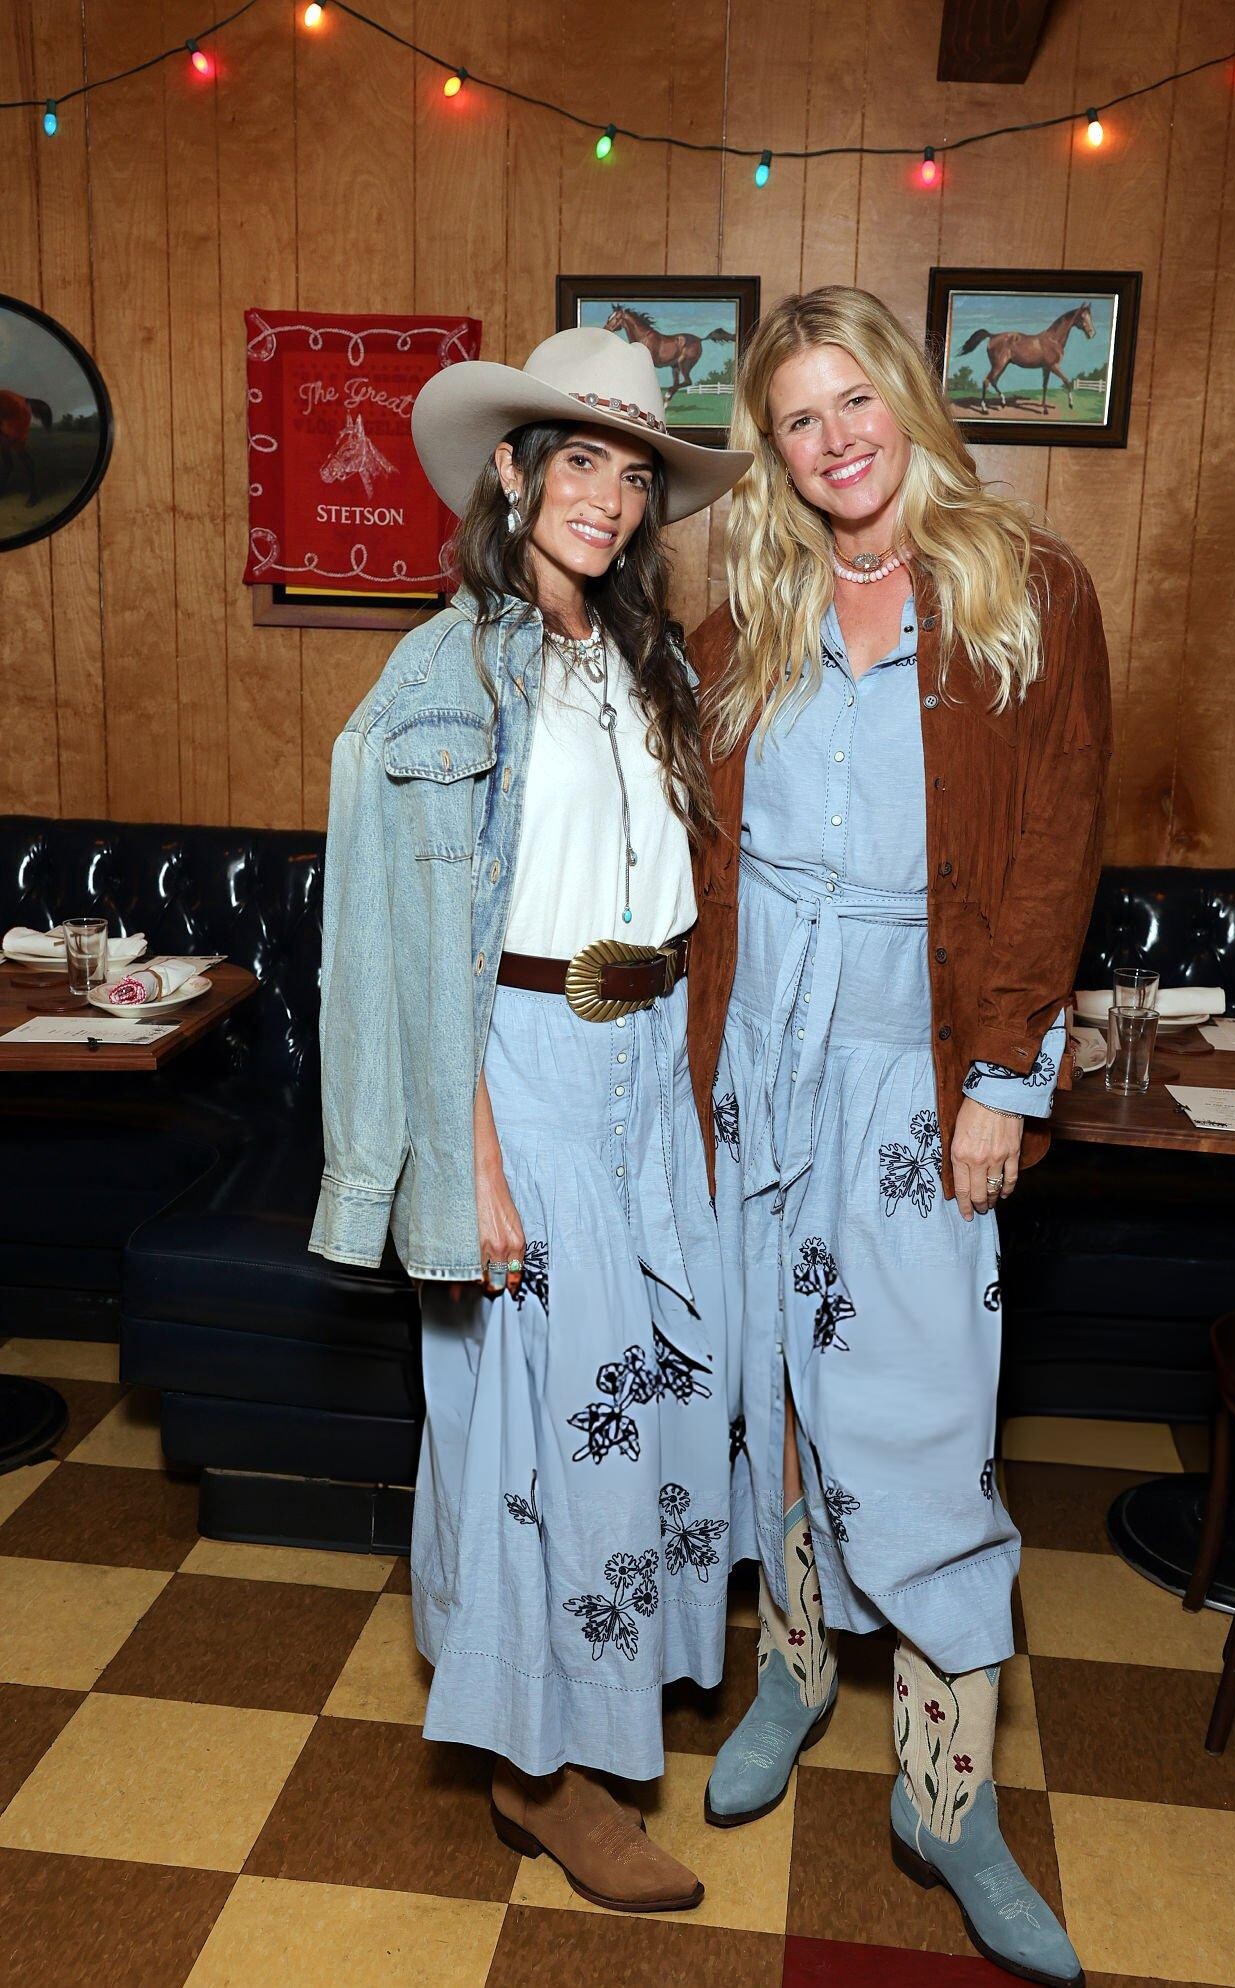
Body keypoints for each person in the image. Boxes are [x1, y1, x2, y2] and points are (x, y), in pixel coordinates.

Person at [687, 286, 1110, 1986]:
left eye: (852, 399)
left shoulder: (1025, 589)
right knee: (773, 1395)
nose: (833, 438)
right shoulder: (748, 609)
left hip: (915, 1069)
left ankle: (947, 1800)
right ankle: (792, 1676)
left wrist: (1004, 1080)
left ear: (907, 401)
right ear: (771, 448)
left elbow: (1055, 846)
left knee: (925, 1426)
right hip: (754, 1065)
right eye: (797, 417)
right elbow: (694, 856)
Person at [309, 328, 750, 1913]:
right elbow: (400, 946)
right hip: (518, 1068)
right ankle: (540, 1773)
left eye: (633, 474)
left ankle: (598, 1710)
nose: (609, 499)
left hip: (642, 1071)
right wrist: (470, 1160)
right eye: (579, 461)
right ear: (509, 470)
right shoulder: (445, 672)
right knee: (528, 1433)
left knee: (639, 1409)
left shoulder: (646, 661)